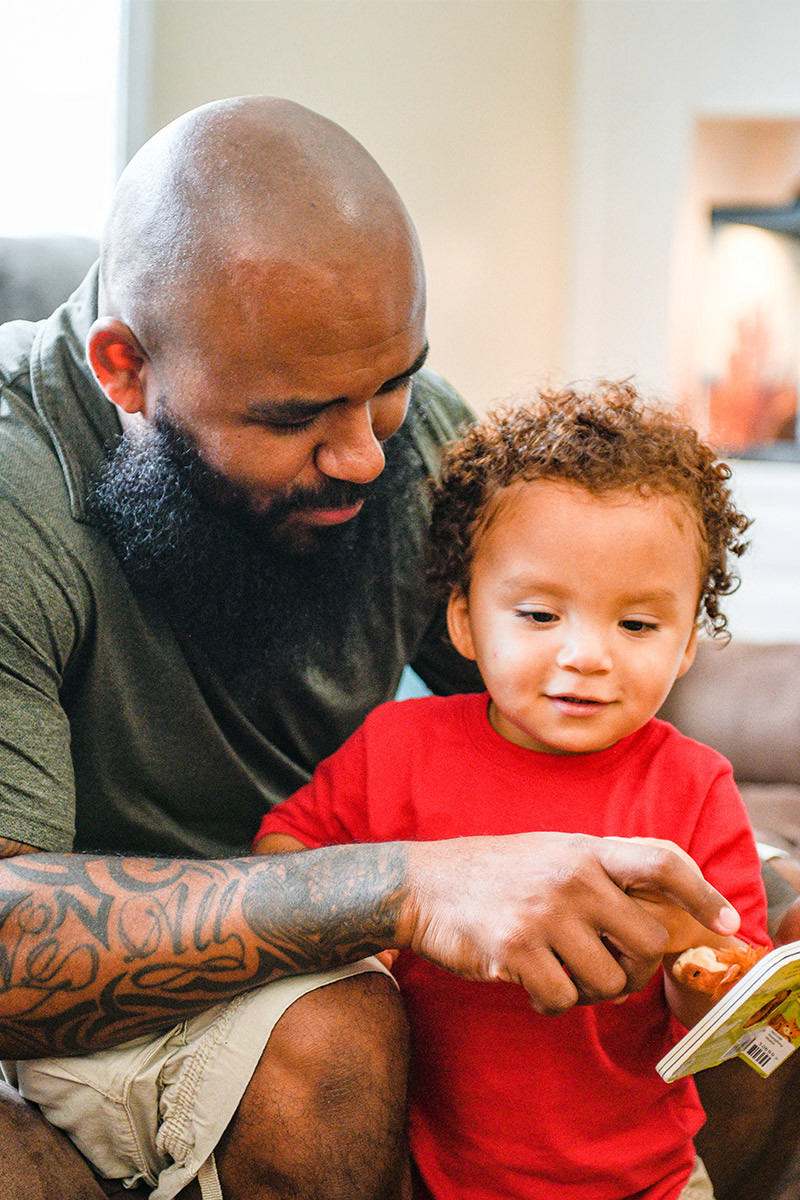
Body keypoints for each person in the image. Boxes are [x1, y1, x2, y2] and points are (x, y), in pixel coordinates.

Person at [0, 97, 743, 1200]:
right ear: (126, 370)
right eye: (298, 417)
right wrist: (404, 887)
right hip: (120, 977)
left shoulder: (407, 430)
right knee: (332, 1030)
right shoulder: (19, 495)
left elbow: (551, 670)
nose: (363, 455)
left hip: (341, 920)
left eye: (391, 384)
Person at [254, 384, 769, 1200]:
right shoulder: (398, 749)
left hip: (650, 1181)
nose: (587, 655)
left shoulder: (695, 786)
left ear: (685, 647)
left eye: (637, 626)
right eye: (537, 615)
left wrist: (696, 962)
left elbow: (731, 1011)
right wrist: (365, 940)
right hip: (433, 1177)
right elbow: (279, 860)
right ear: (462, 621)